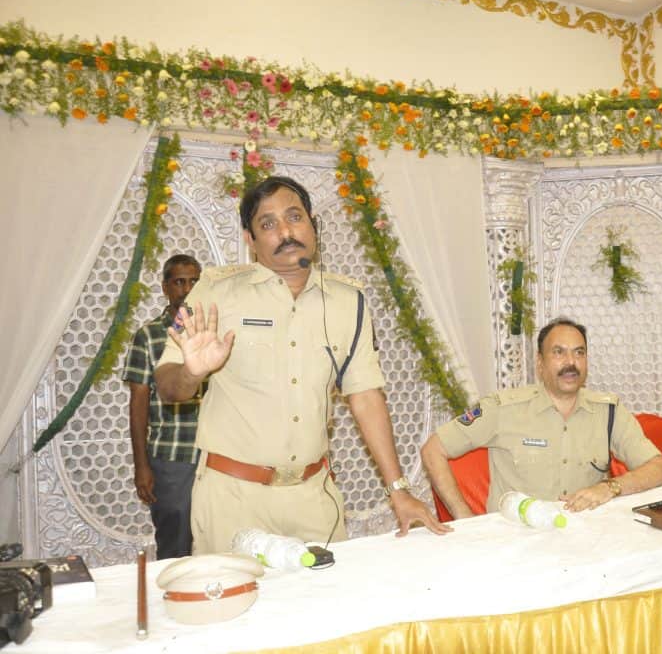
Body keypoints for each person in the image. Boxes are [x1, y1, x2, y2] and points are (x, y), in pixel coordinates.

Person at [154, 176, 448, 554]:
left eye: (294, 217)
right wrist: (191, 372)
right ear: (250, 240)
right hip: (232, 499)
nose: (286, 232)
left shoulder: (349, 302)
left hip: (313, 497)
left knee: (329, 592)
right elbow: (167, 386)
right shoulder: (215, 291)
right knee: (238, 595)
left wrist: (399, 490)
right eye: (268, 224)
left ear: (312, 224)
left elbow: (365, 396)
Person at [421, 317, 662, 516]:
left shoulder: (608, 411)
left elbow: (659, 468)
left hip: (584, 540)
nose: (571, 362)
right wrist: (464, 519)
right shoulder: (502, 408)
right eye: (559, 352)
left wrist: (610, 487)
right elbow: (433, 450)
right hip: (517, 543)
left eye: (579, 353)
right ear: (540, 363)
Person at [123, 254, 204, 559]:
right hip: (172, 457)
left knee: (220, 544)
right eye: (179, 282)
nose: (187, 289)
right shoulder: (148, 336)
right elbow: (138, 404)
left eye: (194, 281)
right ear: (165, 287)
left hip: (216, 455)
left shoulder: (211, 333)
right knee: (175, 548)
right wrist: (141, 466)